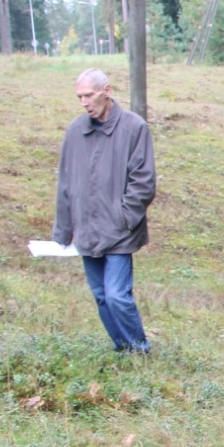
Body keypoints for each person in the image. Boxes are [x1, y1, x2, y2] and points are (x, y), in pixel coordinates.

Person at [53, 69, 156, 353]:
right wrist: (63, 230)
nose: (84, 102)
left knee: (117, 295)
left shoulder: (134, 128)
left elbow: (144, 182)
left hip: (121, 231)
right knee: (101, 296)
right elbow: (65, 182)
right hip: (86, 229)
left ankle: (139, 349)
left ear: (106, 90)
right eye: (80, 97)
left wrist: (124, 218)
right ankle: (122, 348)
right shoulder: (75, 131)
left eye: (89, 95)